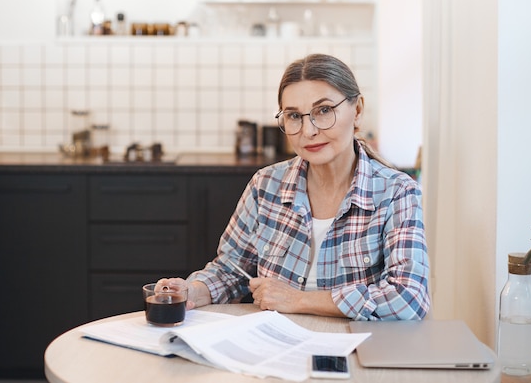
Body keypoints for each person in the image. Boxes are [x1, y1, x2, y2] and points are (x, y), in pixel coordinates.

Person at [158, 53, 430, 320]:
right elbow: (230, 272)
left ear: (357, 111)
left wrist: (298, 300)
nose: (308, 131)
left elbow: (409, 298)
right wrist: (191, 291)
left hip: (354, 349)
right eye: (294, 116)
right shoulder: (264, 185)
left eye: (324, 111)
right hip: (275, 347)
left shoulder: (398, 192)